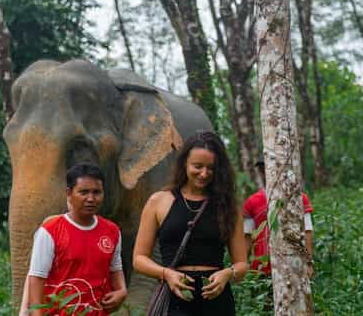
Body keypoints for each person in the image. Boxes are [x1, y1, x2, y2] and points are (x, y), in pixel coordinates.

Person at [133, 131, 248, 315]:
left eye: (211, 168)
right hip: (175, 296)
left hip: (216, 298)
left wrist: (227, 274)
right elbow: (139, 259)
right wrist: (166, 273)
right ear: (184, 163)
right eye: (197, 166)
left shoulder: (228, 206)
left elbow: (242, 263)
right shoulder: (159, 201)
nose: (204, 173)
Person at [25, 164, 127, 316]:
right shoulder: (50, 231)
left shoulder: (112, 231)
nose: (91, 199)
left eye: (97, 192)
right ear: (69, 193)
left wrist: (122, 293)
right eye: (83, 192)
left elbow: (116, 273)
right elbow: (36, 280)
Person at [243, 160, 314, 275]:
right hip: (261, 269)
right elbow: (247, 236)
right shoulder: (252, 202)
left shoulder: (299, 199)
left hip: (293, 267)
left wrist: (309, 262)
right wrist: (243, 265)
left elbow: (307, 231)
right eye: (264, 169)